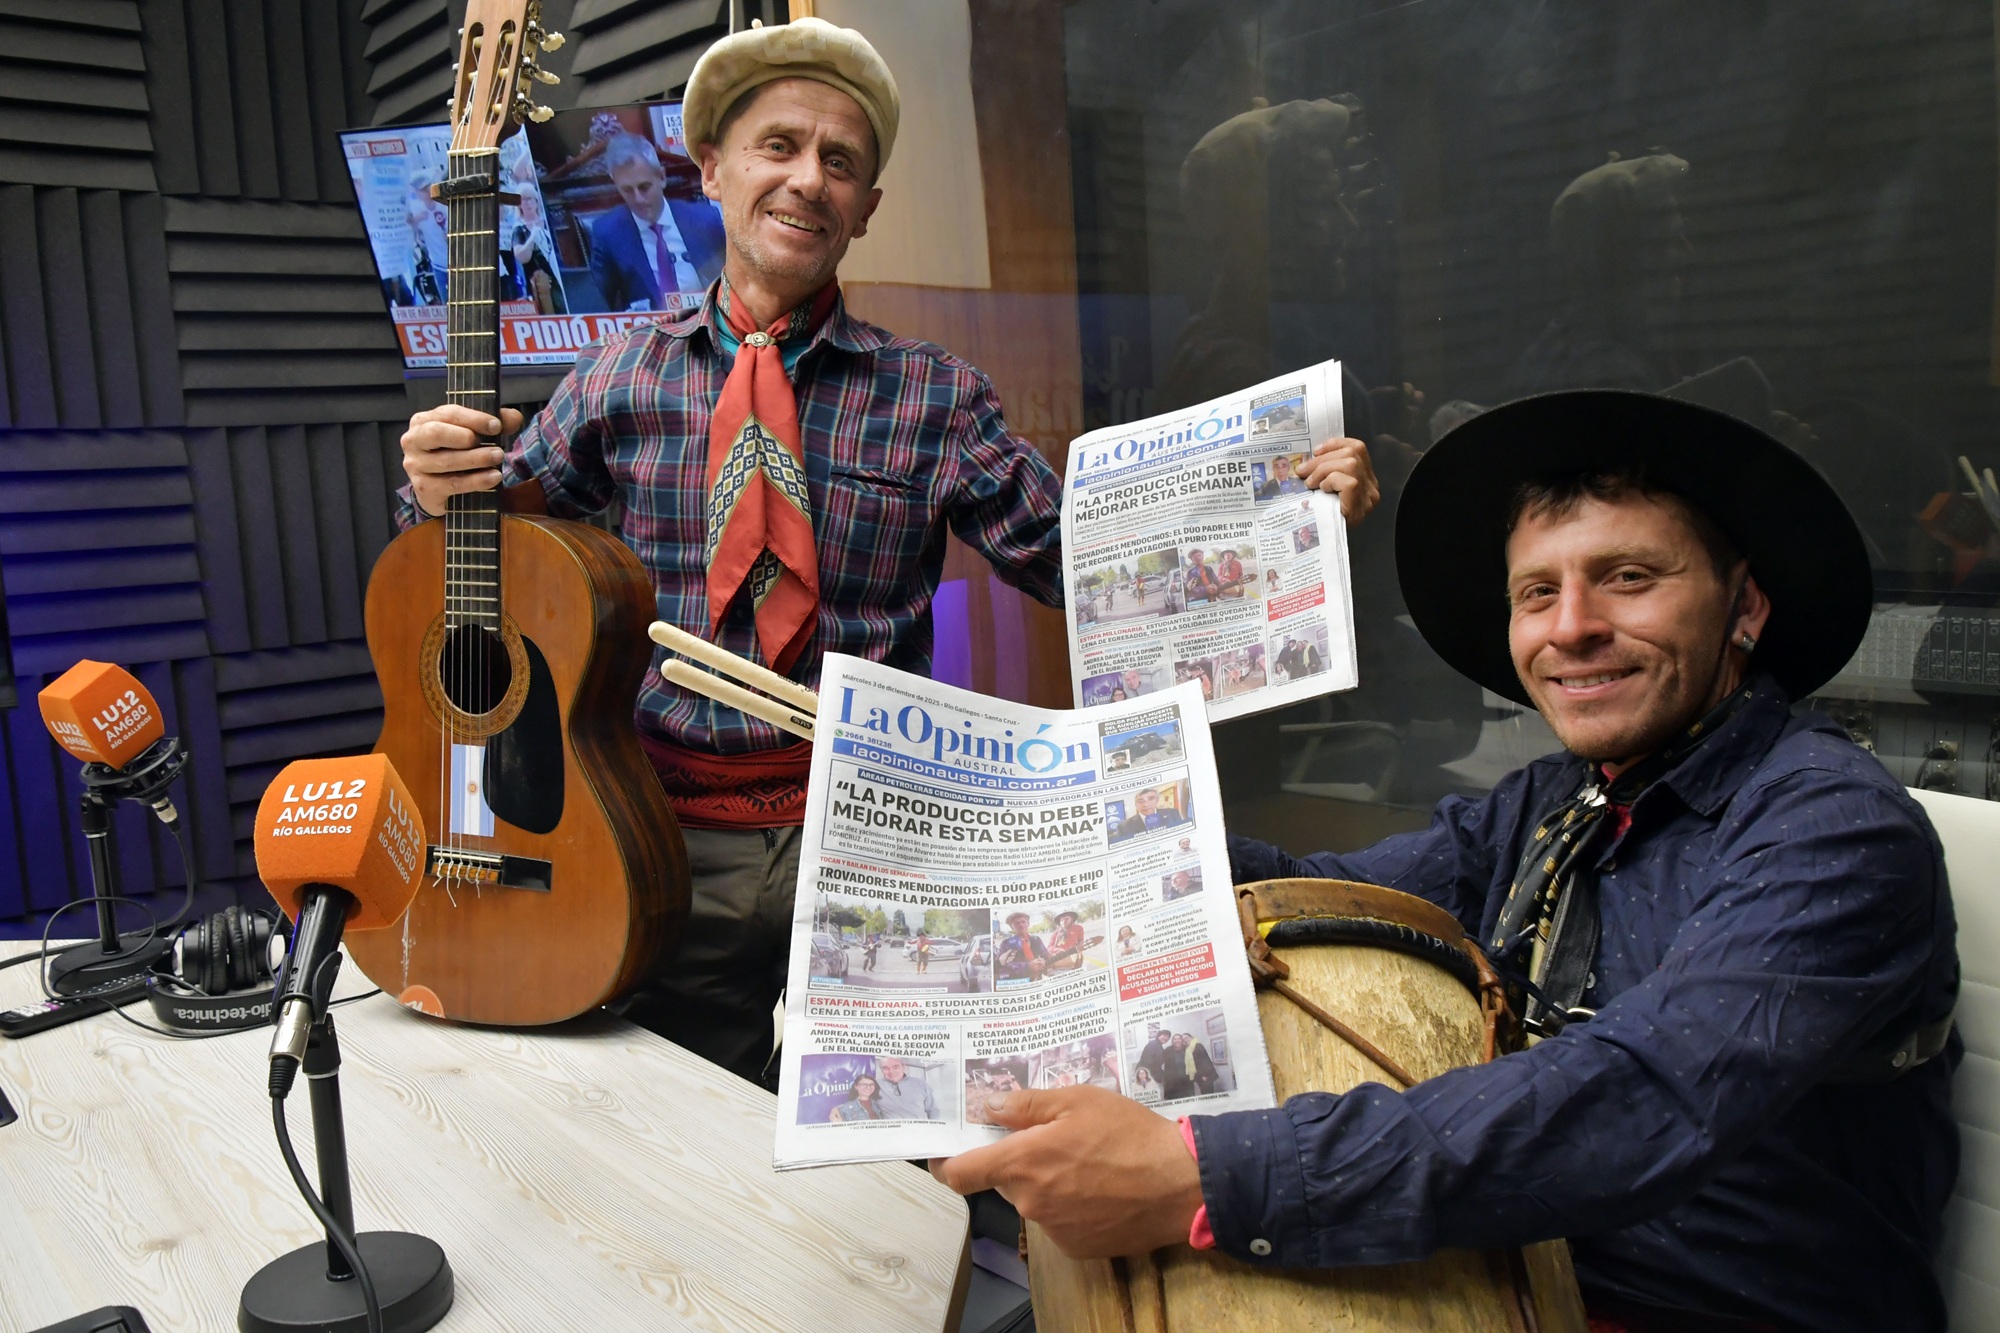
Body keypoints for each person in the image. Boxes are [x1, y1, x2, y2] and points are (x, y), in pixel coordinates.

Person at [931, 391, 1959, 1333]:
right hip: (1498, 1262)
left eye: (1628, 579)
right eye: (1535, 592)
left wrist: (1201, 1175)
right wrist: (1075, 822)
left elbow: (1638, 1093)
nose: (1572, 629)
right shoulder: (1551, 803)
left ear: (1743, 608)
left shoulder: (1832, 829)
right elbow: (1315, 896)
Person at [392, 19, 1129, 1084]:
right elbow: (479, 563)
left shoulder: (934, 395)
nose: (806, 179)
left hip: (872, 842)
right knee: (704, 1146)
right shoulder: (616, 378)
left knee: (899, 1154)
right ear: (713, 170)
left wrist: (1261, 495)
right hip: (656, 841)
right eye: (777, 145)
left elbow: (1080, 560)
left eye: (840, 161)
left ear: (865, 209)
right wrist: (434, 491)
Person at [585, 132, 727, 313]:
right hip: (650, 333)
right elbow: (599, 306)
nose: (638, 199)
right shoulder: (607, 234)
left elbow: (733, 284)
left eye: (644, 187)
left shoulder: (706, 220)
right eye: (627, 190)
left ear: (661, 177)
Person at [874, 1056, 938, 1120]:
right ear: (881, 1070)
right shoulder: (874, 1085)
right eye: (885, 1068)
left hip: (920, 1128)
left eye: (895, 1067)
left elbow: (932, 1110)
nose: (891, 1071)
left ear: (903, 1067)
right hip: (891, 1129)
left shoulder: (921, 1083)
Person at [994, 911, 1049, 983]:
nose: (1021, 925)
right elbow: (1001, 965)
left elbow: (1046, 954)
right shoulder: (1006, 943)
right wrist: (1027, 966)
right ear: (1012, 927)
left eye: (1023, 922)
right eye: (1017, 923)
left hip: (1038, 979)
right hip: (1019, 981)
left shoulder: (1036, 939)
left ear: (1028, 924)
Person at [1114, 787, 1185, 841]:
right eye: (1140, 801)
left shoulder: (1173, 814)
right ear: (1136, 805)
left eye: (1150, 799)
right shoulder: (1124, 826)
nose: (1145, 804)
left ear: (1157, 801)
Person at [1173, 1030, 1218, 1096]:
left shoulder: (1197, 1045)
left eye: (1186, 1037)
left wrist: (1205, 1075)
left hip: (1205, 1075)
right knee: (1204, 1093)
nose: (1185, 1040)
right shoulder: (1189, 1048)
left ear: (1191, 1037)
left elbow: (1204, 1061)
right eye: (1183, 1039)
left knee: (1208, 1093)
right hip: (1199, 1075)